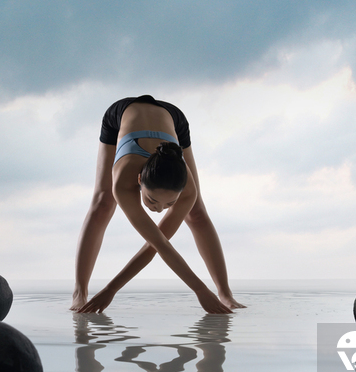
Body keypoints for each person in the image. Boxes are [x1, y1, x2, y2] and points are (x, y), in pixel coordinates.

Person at [72, 95, 245, 314]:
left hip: (172, 118)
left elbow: (157, 245)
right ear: (138, 181)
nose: (159, 210)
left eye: (170, 203)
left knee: (197, 212)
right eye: (152, 200)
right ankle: (79, 292)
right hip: (122, 114)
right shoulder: (124, 178)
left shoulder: (187, 190)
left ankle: (225, 294)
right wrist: (200, 290)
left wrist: (111, 288)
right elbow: (160, 245)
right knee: (102, 203)